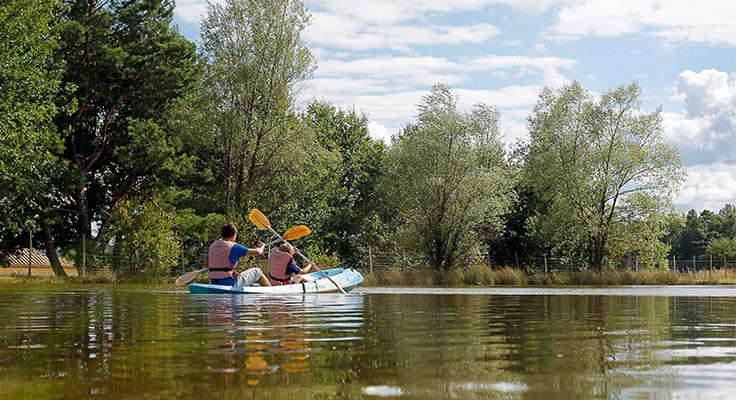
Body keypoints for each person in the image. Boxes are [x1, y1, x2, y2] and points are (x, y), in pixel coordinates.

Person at [206, 223, 271, 287]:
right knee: (257, 271)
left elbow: (206, 264)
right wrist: (262, 246)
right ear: (234, 235)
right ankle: (271, 292)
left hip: (214, 284)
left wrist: (226, 271)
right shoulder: (234, 247)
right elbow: (258, 252)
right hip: (231, 284)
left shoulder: (212, 246)